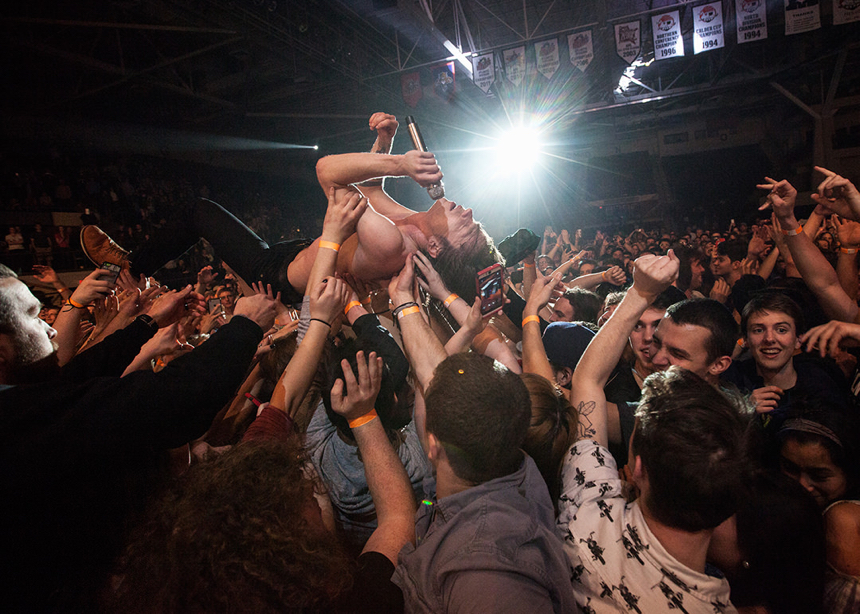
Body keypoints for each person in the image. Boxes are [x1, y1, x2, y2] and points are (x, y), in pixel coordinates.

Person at [0, 261, 278, 610]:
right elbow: (175, 401)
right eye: (33, 316)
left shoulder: (20, 402)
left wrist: (149, 322)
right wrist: (245, 326)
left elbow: (74, 377)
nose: (51, 329)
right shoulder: (19, 427)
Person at [80, 113, 502, 306]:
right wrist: (386, 143)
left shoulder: (394, 244)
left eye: (467, 228)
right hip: (301, 251)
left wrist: (400, 165)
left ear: (434, 247)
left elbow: (328, 174)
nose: (468, 213)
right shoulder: (411, 223)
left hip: (278, 276)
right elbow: (371, 190)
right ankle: (131, 276)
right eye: (474, 220)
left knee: (200, 213)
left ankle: (128, 269)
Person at [560, 251, 750, 613]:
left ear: (638, 470)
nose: (657, 357)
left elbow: (587, 381)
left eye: (676, 352)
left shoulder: (588, 523)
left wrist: (639, 292)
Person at [386, 258, 576, 613]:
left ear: (433, 445)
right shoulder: (507, 457)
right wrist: (403, 302)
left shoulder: (487, 570)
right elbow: (436, 378)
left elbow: (436, 382)